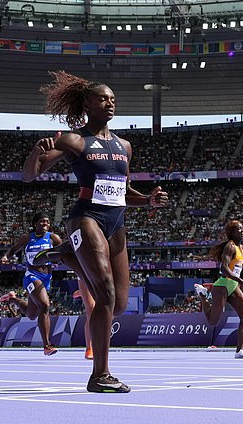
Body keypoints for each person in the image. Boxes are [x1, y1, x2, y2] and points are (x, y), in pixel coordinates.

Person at [22, 70, 168, 393]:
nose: (110, 103)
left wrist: (150, 201)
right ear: (88, 103)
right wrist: (37, 150)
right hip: (86, 219)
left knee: (118, 303)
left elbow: (125, 192)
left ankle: (67, 256)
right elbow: (29, 175)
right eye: (103, 98)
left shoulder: (124, 146)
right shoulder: (75, 139)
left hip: (116, 223)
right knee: (104, 295)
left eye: (113, 99)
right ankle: (99, 374)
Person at [194, 220, 243, 359]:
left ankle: (239, 351)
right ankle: (204, 296)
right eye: (239, 229)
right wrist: (240, 280)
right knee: (213, 322)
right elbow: (224, 268)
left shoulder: (240, 247)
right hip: (222, 285)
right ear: (232, 233)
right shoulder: (229, 247)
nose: (242, 231)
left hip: (233, 285)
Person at [0, 211, 61, 356]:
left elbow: (64, 251)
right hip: (32, 276)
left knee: (31, 314)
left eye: (47, 221)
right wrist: (5, 257)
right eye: (42, 221)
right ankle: (47, 345)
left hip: (47, 277)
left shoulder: (53, 238)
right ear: (35, 224)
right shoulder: (27, 238)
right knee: (45, 305)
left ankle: (12, 299)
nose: (45, 223)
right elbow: (13, 249)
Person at [34, 240, 94, 360]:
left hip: (102, 271)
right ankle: (90, 348)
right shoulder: (77, 239)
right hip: (85, 274)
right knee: (91, 310)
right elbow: (38, 259)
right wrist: (49, 255)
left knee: (113, 309)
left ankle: (82, 292)